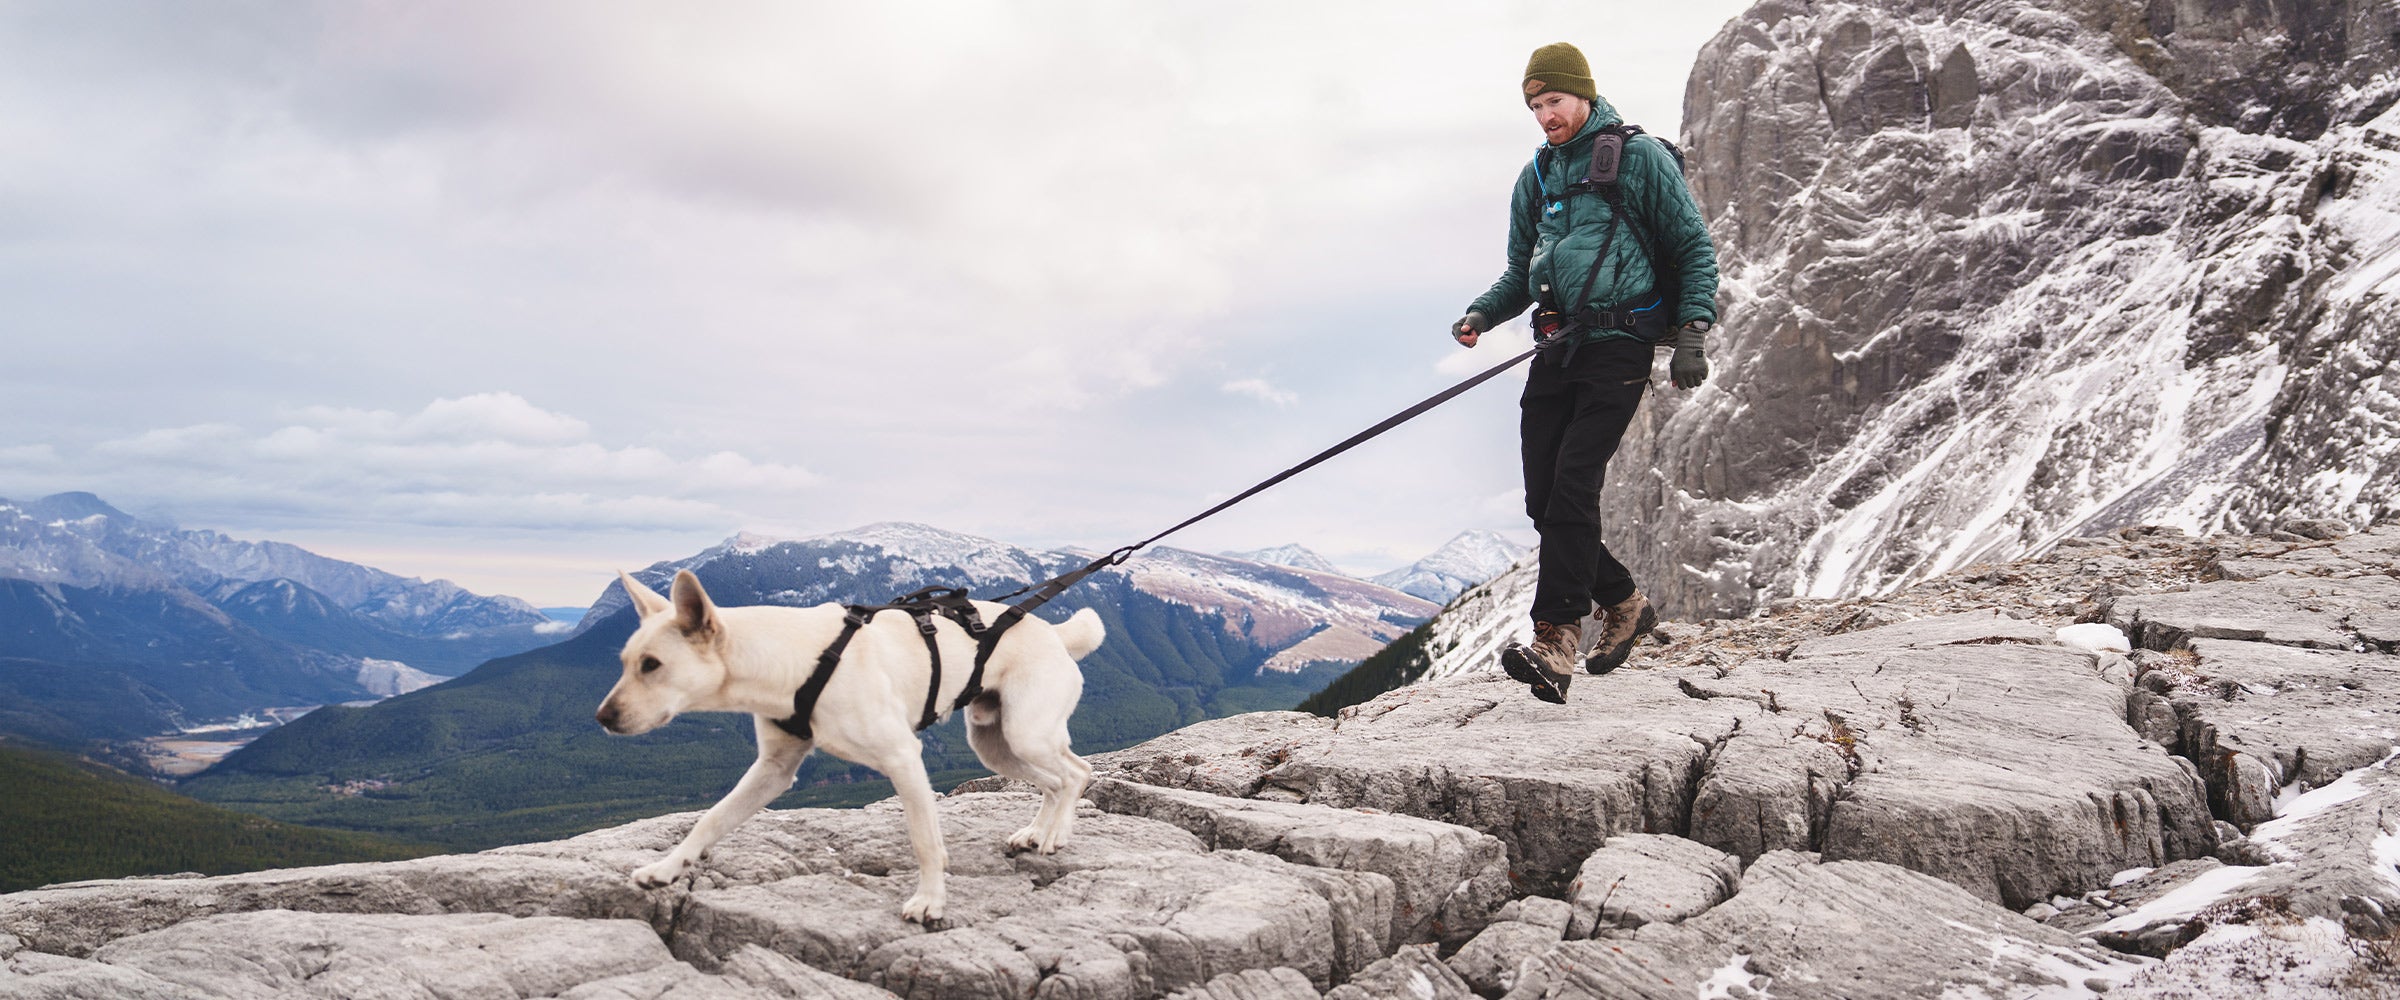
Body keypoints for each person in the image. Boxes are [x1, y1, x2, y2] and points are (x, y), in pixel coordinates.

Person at [1452, 42, 1719, 704]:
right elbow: (1521, 271)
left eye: (1555, 101)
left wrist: (1693, 330)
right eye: (1535, 106)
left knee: (1573, 484)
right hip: (1557, 347)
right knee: (1542, 498)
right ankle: (1624, 601)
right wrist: (1483, 313)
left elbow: (1691, 243)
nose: (1546, 115)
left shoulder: (1637, 157)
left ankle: (1556, 638)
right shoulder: (1537, 175)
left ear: (1585, 94)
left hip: (1619, 345)